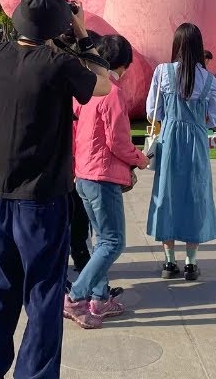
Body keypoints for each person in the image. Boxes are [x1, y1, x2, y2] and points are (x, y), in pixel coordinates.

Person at [0, 0, 111, 379]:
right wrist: (81, 32)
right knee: (43, 294)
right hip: (42, 199)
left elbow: (27, 48)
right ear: (59, 21)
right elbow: (103, 83)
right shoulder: (58, 65)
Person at [64, 34, 147, 328]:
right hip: (102, 176)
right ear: (121, 65)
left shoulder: (87, 91)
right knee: (113, 242)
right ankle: (77, 297)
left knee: (102, 240)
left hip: (84, 174)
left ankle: (100, 297)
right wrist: (140, 158)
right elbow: (118, 141)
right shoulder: (112, 93)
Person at [146, 22, 216, 281]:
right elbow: (213, 119)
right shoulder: (209, 79)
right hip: (196, 143)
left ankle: (169, 262)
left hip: (169, 140)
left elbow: (152, 111)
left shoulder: (162, 72)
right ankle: (191, 262)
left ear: (176, 45)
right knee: (195, 196)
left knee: (165, 195)